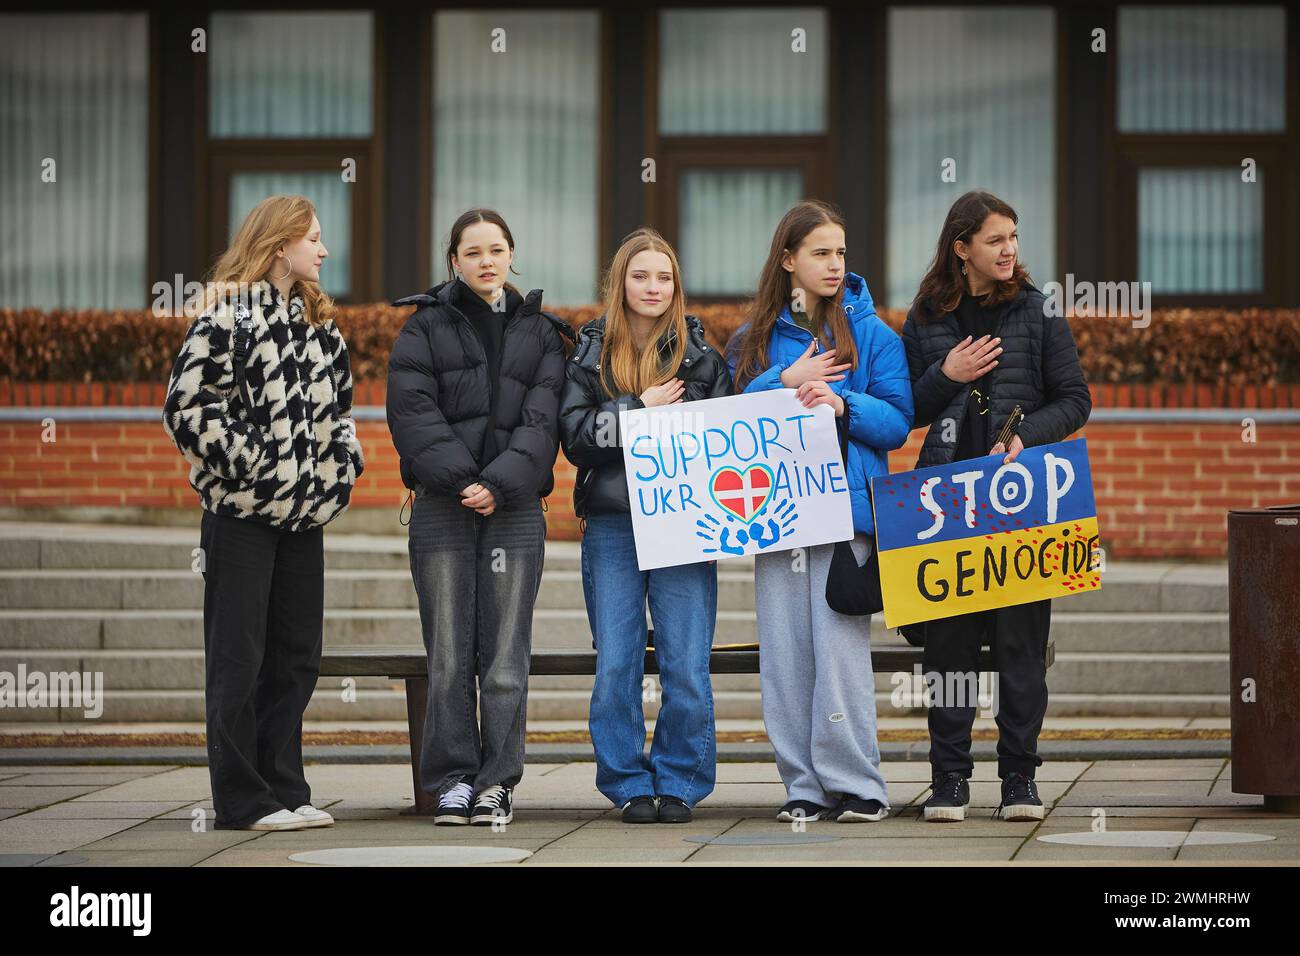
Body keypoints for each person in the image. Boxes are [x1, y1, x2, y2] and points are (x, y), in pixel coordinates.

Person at [162, 195, 364, 831]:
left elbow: (342, 416)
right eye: (314, 239)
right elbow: (186, 409)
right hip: (241, 521)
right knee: (239, 660)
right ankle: (243, 803)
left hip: (304, 522)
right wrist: (253, 463)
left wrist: (341, 466)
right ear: (280, 246)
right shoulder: (224, 322)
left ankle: (286, 791)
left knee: (296, 656)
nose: (324, 251)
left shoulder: (321, 325)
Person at [901, 189, 1092, 822]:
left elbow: (1074, 400)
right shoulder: (926, 317)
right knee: (947, 647)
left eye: (1013, 238)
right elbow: (908, 413)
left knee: (1019, 643)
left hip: (1022, 502)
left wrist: (1023, 437)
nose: (1009, 250)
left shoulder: (1039, 313)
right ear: (962, 250)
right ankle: (950, 780)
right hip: (947, 502)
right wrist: (947, 375)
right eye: (994, 240)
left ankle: (1019, 781)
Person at [726, 200, 913, 823]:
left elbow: (897, 424)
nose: (835, 264)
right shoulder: (750, 340)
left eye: (840, 251)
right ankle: (803, 785)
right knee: (784, 657)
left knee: (839, 656)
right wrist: (782, 379)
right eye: (820, 253)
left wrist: (843, 405)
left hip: (847, 515)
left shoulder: (874, 335)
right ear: (788, 260)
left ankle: (859, 784)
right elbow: (726, 420)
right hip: (778, 516)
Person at [386, 208, 572, 827]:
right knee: (446, 653)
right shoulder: (424, 327)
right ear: (455, 262)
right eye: (472, 251)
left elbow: (543, 424)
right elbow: (412, 415)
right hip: (443, 508)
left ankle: (497, 781)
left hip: (515, 511)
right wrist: (464, 481)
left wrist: (497, 484)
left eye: (496, 249)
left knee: (504, 655)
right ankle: (452, 780)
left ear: (511, 255)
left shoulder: (542, 331)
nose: (486, 260)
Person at [560, 228, 733, 824]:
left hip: (686, 524)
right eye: (641, 276)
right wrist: (639, 412)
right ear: (620, 283)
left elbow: (728, 443)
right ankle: (628, 781)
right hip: (612, 525)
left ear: (675, 285)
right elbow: (577, 440)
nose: (653, 287)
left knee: (686, 660)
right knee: (617, 660)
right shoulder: (589, 352)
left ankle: (680, 780)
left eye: (664, 277)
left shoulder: (702, 358)